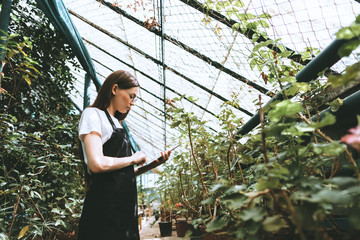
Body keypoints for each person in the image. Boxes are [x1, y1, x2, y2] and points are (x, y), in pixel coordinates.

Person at [77, 70, 171, 240]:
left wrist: (154, 164)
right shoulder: (93, 114)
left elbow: (121, 174)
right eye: (131, 96)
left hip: (124, 209)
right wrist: (133, 159)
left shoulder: (116, 123)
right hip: (105, 207)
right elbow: (96, 164)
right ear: (114, 89)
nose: (133, 103)